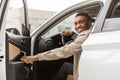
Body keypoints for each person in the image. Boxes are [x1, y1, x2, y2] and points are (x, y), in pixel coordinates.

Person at [21, 12, 92, 80]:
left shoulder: (86, 35)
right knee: (66, 65)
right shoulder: (90, 33)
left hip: (84, 70)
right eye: (76, 23)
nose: (77, 26)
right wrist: (71, 34)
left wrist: (35, 57)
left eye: (81, 22)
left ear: (89, 23)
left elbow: (64, 51)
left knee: (65, 66)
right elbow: (80, 41)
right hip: (87, 67)